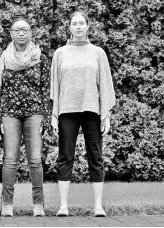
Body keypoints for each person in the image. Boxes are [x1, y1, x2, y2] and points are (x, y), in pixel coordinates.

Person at [50, 11, 116, 217]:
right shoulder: (60, 53)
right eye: (74, 24)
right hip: (67, 112)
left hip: (92, 112)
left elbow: (105, 85)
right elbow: (55, 86)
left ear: (88, 26)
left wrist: (105, 115)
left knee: (96, 157)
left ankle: (98, 206)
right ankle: (63, 206)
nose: (78, 27)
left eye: (81, 23)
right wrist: (54, 114)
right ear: (69, 27)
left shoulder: (98, 53)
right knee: (65, 157)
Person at [0, 13, 51, 217]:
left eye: (25, 29)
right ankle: (7, 204)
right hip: (9, 113)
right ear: (10, 33)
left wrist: (45, 116)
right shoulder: (3, 58)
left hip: (34, 113)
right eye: (17, 30)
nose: (21, 33)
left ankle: (39, 205)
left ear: (31, 32)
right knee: (10, 160)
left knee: (35, 160)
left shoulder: (40, 58)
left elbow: (45, 89)